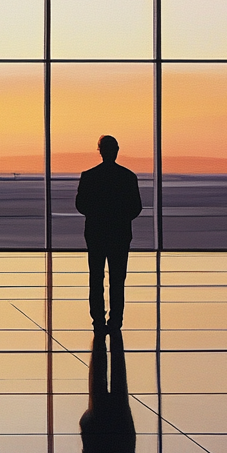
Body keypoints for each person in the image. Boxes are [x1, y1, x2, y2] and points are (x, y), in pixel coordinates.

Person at [75, 135, 142, 332]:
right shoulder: (128, 177)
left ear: (100, 151)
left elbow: (80, 205)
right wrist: (120, 218)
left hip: (96, 232)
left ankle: (98, 319)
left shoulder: (89, 176)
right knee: (117, 278)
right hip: (120, 233)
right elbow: (136, 207)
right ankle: (116, 320)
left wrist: (97, 215)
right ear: (117, 150)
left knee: (96, 277)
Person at [80, 328, 136, 453]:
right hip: (99, 412)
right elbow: (86, 429)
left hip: (119, 409)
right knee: (98, 370)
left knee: (119, 368)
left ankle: (115, 328)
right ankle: (99, 330)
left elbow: (129, 428)